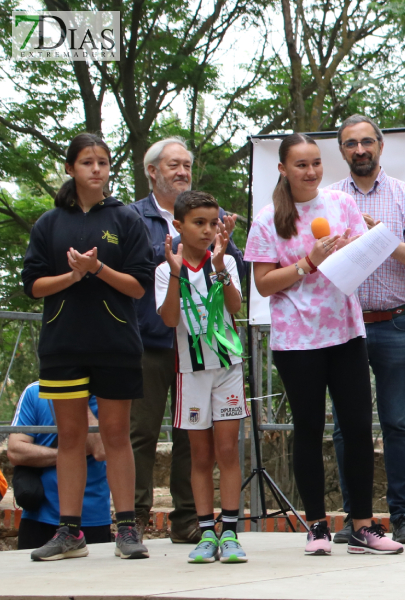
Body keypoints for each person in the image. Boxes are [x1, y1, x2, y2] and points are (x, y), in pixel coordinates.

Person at [245, 133, 402, 557]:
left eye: (316, 163)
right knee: (309, 431)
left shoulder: (342, 204)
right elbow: (262, 284)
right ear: (282, 169)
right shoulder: (267, 219)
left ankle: (362, 527)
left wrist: (357, 250)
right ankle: (316, 526)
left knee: (356, 428)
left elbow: (360, 254)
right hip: (297, 341)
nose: (311, 171)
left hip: (347, 334)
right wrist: (307, 262)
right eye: (301, 165)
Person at [21, 133, 153, 561]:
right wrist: (73, 277)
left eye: (103, 162)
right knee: (72, 437)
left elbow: (138, 286)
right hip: (63, 346)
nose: (96, 169)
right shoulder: (49, 223)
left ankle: (127, 529)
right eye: (87, 163)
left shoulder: (126, 219)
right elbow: (34, 286)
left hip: (115, 344)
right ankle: (70, 532)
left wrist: (98, 268)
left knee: (116, 434)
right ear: (70, 168)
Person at [325, 115, 405, 545]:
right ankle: (357, 520)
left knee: (396, 423)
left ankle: (402, 515)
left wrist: (382, 237)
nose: (360, 150)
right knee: (345, 427)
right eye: (351, 144)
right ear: (342, 151)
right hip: (344, 325)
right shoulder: (329, 198)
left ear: (381, 146)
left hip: (393, 323)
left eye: (367, 141)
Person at [129, 136, 244, 542]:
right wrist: (174, 266)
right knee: (141, 432)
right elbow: (144, 282)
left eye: (186, 165)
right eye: (172, 165)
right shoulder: (132, 217)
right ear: (152, 171)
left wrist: (222, 249)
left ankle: (190, 522)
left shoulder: (217, 225)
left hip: (215, 356)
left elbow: (235, 287)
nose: (181, 171)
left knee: (192, 440)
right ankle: (134, 520)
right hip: (151, 343)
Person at [155, 190, 249, 563]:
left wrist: (222, 266)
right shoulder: (166, 269)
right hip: (190, 372)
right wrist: (177, 274)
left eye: (213, 223)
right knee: (199, 456)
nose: (208, 230)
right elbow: (169, 319)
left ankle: (229, 534)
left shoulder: (223, 261)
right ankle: (205, 532)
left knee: (227, 451)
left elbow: (235, 306)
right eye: (199, 223)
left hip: (226, 368)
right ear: (178, 226)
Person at [10, 383, 111, 552]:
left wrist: (80, 401)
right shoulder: (34, 392)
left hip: (92, 517)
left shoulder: (108, 398)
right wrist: (68, 456)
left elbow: (101, 450)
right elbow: (15, 451)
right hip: (38, 516)